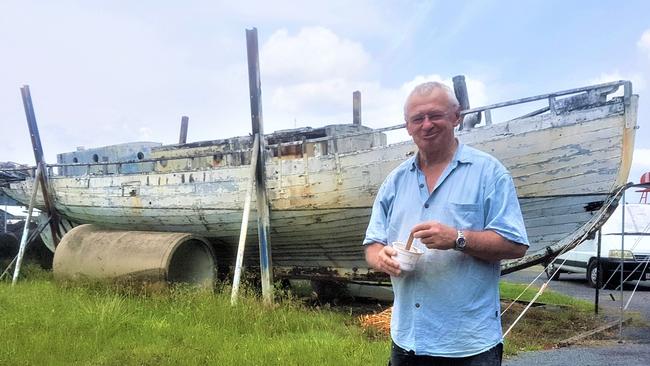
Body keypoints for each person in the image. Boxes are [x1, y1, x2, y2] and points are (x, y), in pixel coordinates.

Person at [364, 81, 529, 365]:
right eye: (418, 118)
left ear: (456, 116)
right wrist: (382, 258)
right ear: (408, 126)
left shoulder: (489, 173)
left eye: (435, 115)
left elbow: (515, 245)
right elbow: (372, 244)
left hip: (468, 347)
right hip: (407, 341)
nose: (426, 124)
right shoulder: (395, 181)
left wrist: (457, 239)